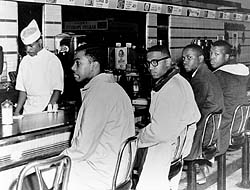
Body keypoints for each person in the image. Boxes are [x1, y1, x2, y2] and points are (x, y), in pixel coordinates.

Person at [61, 44, 135, 189]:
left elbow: (82, 149)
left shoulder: (98, 94)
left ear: (94, 65)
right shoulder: (116, 88)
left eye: (78, 63)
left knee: (32, 176)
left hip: (100, 175)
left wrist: (57, 159)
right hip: (120, 172)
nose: (72, 68)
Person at [136, 45, 201, 190]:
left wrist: (138, 138)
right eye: (148, 63)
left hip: (163, 152)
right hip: (178, 150)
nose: (150, 67)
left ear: (168, 62)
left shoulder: (170, 88)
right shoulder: (179, 81)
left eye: (155, 62)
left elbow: (159, 132)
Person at [182, 44, 224, 184]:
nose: (185, 61)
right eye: (183, 58)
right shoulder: (205, 73)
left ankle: (193, 170)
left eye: (189, 58)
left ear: (200, 58)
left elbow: (194, 109)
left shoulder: (200, 78)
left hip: (203, 128)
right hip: (211, 126)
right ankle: (201, 167)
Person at [14, 19, 64, 115]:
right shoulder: (24, 61)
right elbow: (22, 90)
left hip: (46, 107)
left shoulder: (52, 60)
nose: (28, 50)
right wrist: (17, 112)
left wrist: (48, 111)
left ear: (40, 42)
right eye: (26, 47)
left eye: (31, 46)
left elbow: (57, 90)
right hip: (28, 110)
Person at [210, 40, 250, 155]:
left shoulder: (219, 75)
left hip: (223, 128)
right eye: (210, 54)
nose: (212, 58)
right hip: (239, 126)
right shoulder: (244, 72)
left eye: (216, 54)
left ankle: (198, 162)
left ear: (226, 56)